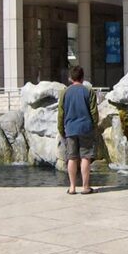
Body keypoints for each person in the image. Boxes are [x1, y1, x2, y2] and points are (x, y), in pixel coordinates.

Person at [57, 65, 100, 195]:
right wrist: (94, 126)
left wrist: (61, 129)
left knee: (72, 158)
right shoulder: (89, 91)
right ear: (82, 77)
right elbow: (94, 112)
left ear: (71, 78)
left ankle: (72, 187)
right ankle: (86, 187)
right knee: (86, 157)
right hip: (85, 128)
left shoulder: (64, 93)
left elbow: (60, 113)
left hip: (70, 128)